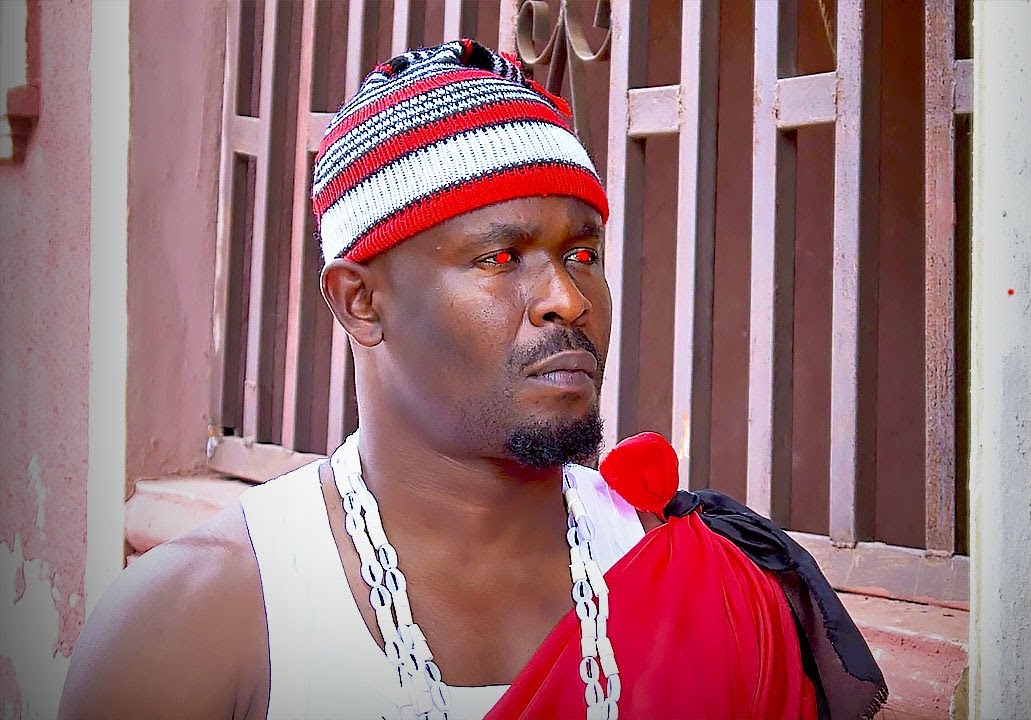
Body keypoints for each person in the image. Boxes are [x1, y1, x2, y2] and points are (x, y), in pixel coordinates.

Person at [59, 40, 885, 720]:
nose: (567, 299)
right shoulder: (199, 627)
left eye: (582, 253)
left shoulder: (704, 586)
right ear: (361, 302)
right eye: (500, 258)